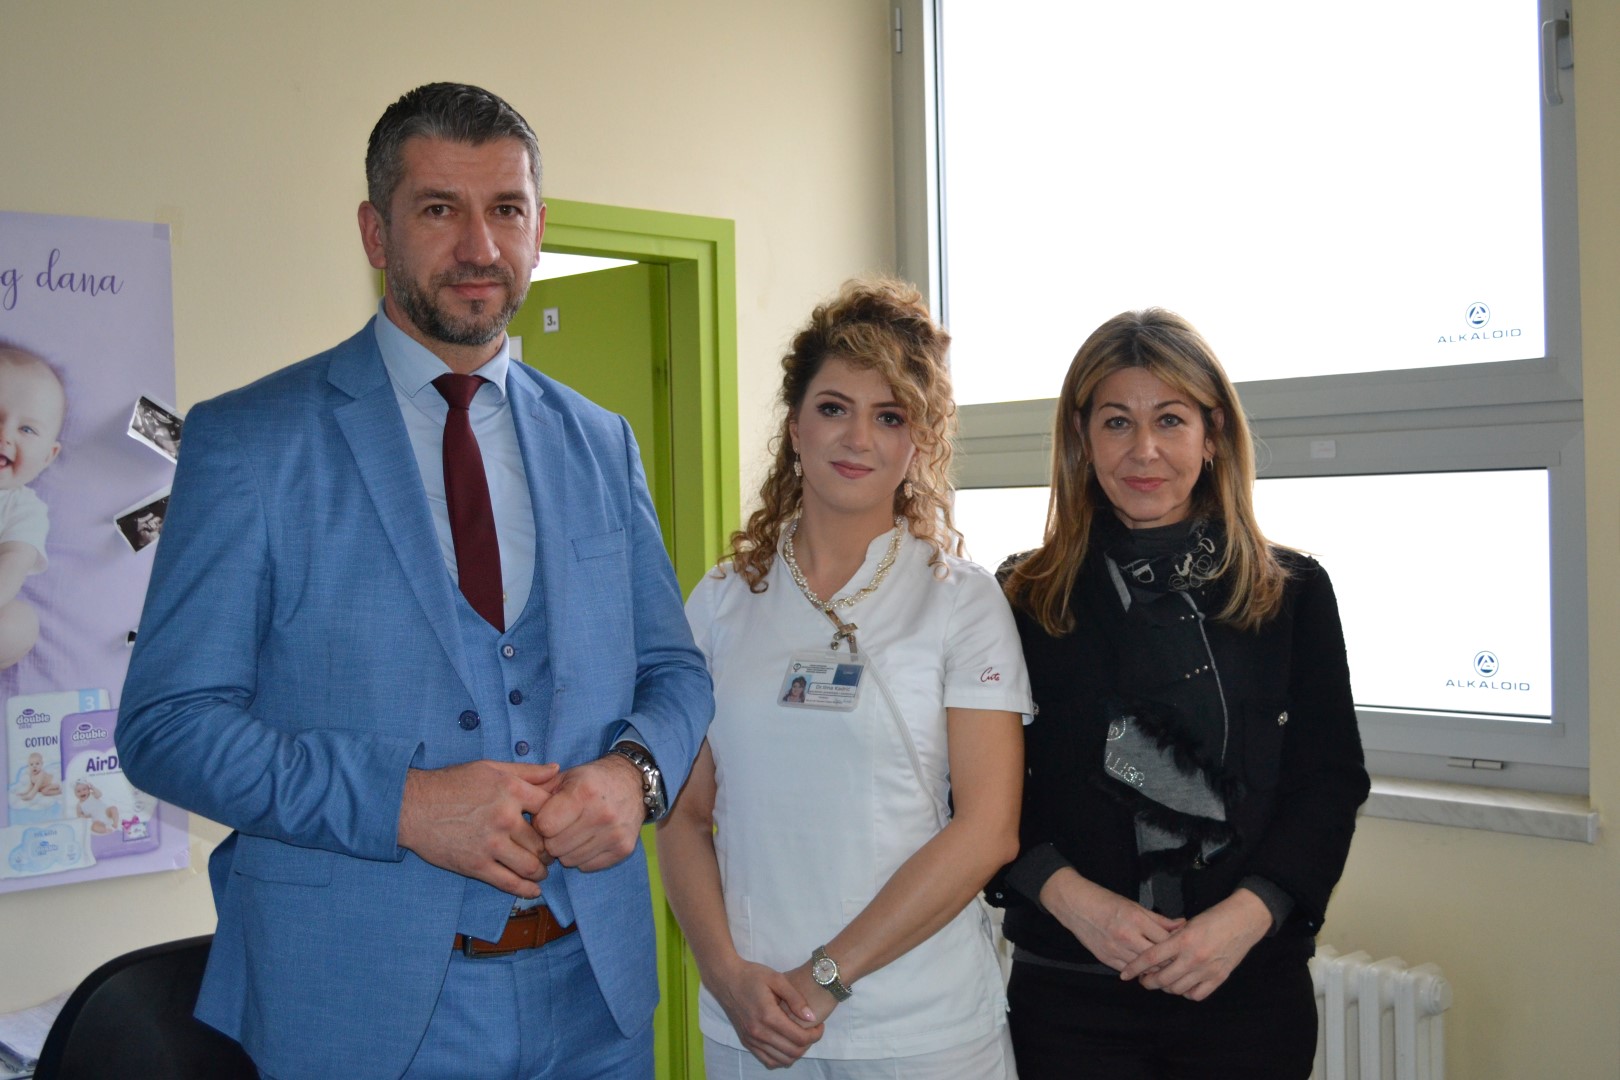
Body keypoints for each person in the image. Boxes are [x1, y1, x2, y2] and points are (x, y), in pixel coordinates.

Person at [117, 82, 712, 1080]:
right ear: (375, 231)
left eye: (506, 209)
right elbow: (167, 725)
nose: (480, 246)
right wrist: (401, 804)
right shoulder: (252, 441)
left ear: (538, 228)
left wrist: (636, 776)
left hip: (594, 1005)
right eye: (440, 209)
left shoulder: (600, 442)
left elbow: (675, 672)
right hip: (355, 1014)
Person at [659, 278, 1029, 1078]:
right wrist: (726, 976)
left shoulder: (960, 601)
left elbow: (989, 829)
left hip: (920, 1031)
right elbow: (684, 818)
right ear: (795, 427)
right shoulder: (722, 601)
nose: (858, 437)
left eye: (889, 416)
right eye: (834, 408)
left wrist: (825, 977)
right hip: (753, 1024)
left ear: (918, 443)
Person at [990, 308, 1370, 1079]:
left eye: (1170, 419)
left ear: (1213, 432)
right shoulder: (1021, 597)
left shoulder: (1291, 592)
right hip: (1071, 993)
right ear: (1081, 437)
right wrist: (1071, 899)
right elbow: (981, 789)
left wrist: (1249, 915)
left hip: (1245, 990)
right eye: (1117, 422)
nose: (1145, 450)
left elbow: (1329, 781)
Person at [0, 342, 66, 669]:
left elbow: (14, 562)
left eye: (26, 429)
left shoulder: (23, 509)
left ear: (48, 456)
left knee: (20, 625)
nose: (5, 435)